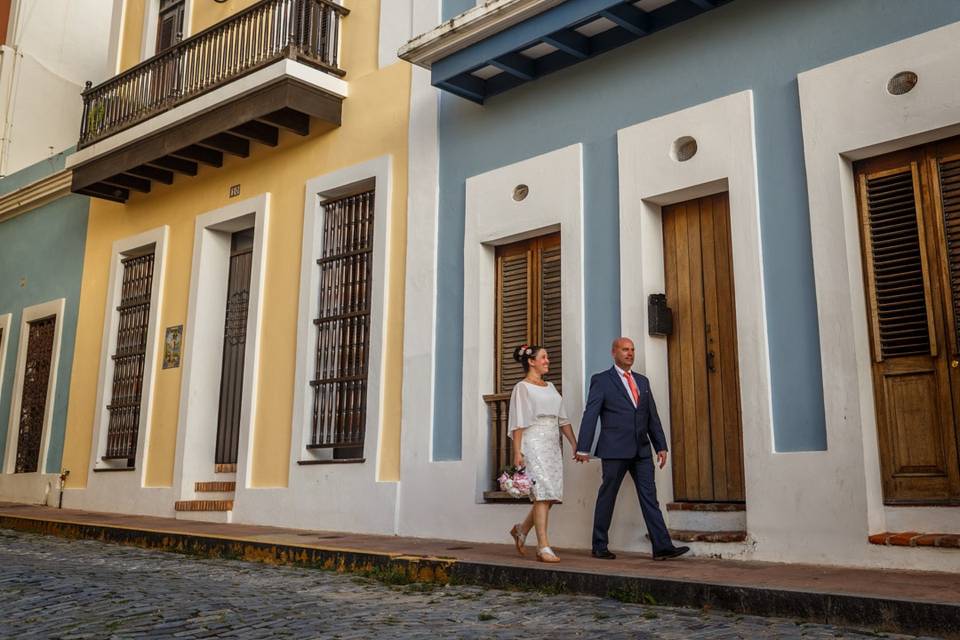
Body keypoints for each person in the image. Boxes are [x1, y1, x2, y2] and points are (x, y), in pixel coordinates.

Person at [574, 337, 689, 561]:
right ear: (614, 352)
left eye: (632, 350)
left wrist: (661, 446)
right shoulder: (602, 380)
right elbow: (591, 414)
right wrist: (583, 447)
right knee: (608, 496)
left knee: (649, 497)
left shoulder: (642, 381)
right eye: (625, 349)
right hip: (614, 450)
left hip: (642, 451)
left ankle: (662, 547)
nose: (630, 353)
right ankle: (599, 545)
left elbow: (651, 416)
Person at [507, 344, 579, 563]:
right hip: (533, 442)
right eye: (544, 357)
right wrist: (517, 452)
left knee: (549, 495)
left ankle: (521, 530)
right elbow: (519, 422)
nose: (548, 360)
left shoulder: (550, 386)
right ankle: (543, 547)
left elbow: (562, 419)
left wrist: (574, 444)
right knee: (542, 493)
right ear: (531, 361)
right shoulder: (522, 387)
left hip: (551, 444)